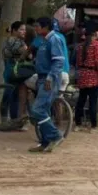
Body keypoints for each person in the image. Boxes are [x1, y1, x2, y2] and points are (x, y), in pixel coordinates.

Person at [28, 17, 67, 153]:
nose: (35, 29)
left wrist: (50, 78)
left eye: (37, 26)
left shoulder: (54, 39)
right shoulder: (44, 40)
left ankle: (55, 135)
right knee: (43, 111)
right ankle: (45, 142)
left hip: (49, 79)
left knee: (37, 110)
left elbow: (58, 62)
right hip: (42, 78)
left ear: (46, 27)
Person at [74, 27, 98, 133]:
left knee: (81, 101)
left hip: (82, 75)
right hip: (93, 76)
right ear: (94, 34)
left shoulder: (79, 46)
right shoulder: (96, 45)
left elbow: (77, 62)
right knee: (93, 102)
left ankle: (77, 124)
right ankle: (94, 126)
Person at [0, 21, 27, 126]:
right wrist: (26, 49)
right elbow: (19, 50)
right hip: (10, 69)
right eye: (21, 29)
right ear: (14, 31)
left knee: (14, 95)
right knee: (8, 94)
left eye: (24, 29)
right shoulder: (12, 40)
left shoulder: (19, 41)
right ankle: (4, 120)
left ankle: (14, 120)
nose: (24, 31)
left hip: (15, 69)